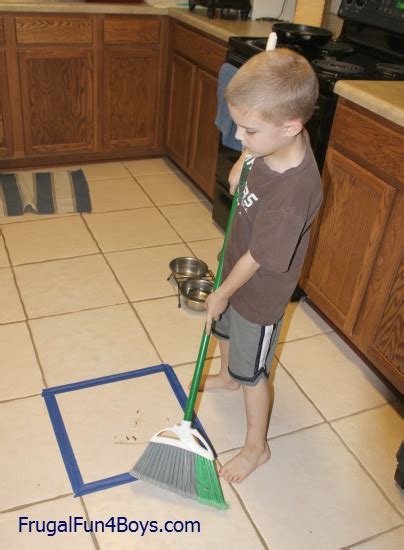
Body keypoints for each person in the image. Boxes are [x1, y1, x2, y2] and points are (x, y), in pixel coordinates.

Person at [202, 48, 323, 484]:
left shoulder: (293, 194)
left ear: (291, 127)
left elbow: (257, 259)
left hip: (258, 291)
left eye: (248, 131)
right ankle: (225, 378)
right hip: (235, 263)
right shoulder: (274, 141)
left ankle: (258, 446)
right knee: (225, 330)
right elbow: (256, 149)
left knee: (253, 370)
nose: (238, 133)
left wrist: (221, 292)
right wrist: (243, 160)